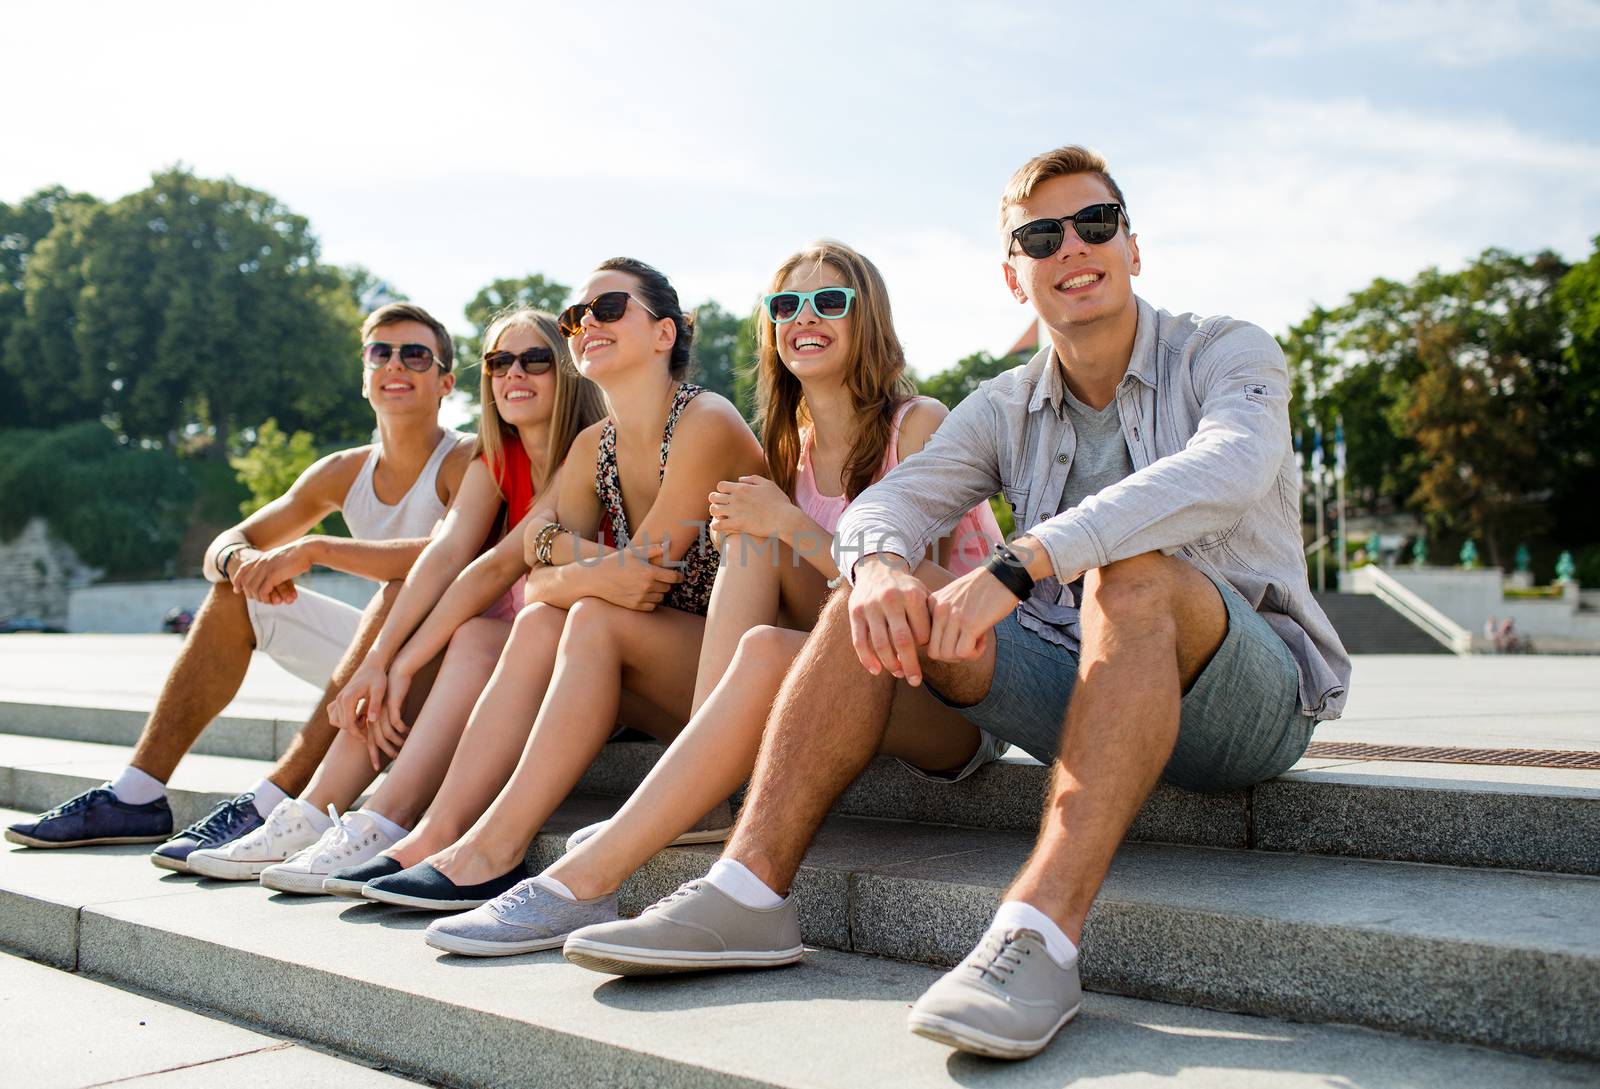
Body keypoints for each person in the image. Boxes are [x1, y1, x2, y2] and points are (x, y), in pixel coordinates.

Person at [560, 146, 1353, 1062]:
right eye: (1040, 236)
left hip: (1243, 695)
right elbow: (890, 506)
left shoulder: (1225, 349)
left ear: (1133, 246)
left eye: (1095, 224)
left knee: (1131, 574)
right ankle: (748, 890)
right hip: (1069, 677)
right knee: (875, 596)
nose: (1073, 247)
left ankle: (1038, 937)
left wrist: (1029, 559)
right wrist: (879, 567)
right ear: (1014, 275)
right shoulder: (1004, 403)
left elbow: (1233, 465)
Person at [422, 241, 1005, 956]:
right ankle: (690, 792)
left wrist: (785, 524)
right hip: (841, 678)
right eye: (785, 305)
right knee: (724, 555)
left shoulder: (917, 424)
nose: (804, 317)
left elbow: (920, 605)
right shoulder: (787, 445)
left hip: (951, 696)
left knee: (759, 564)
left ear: (868, 318)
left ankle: (618, 851)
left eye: (830, 301)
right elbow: (526, 568)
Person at [327, 257, 766, 910]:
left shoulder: (706, 421)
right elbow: (529, 576)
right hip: (669, 676)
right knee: (542, 619)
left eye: (610, 308)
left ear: (664, 334)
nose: (587, 322)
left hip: (741, 686)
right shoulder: (596, 445)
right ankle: (442, 834)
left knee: (586, 613)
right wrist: (395, 659)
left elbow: (643, 578)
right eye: (576, 315)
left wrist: (562, 561)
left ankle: (496, 848)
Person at [5, 303, 475, 869]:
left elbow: (451, 557)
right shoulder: (341, 471)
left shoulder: (464, 458)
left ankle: (273, 802)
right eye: (381, 351)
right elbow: (226, 544)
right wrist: (244, 563)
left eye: (415, 354)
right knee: (234, 595)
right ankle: (135, 794)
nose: (396, 363)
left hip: (453, 667)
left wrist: (315, 549)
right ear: (364, 375)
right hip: (375, 658)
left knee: (398, 591)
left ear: (445, 381)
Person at [181, 307, 604, 887]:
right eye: (500, 362)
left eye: (536, 361)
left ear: (568, 371)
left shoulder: (588, 448)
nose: (514, 375)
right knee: (459, 626)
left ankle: (388, 818)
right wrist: (381, 664)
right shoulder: (493, 458)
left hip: (589, 653)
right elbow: (449, 552)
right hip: (519, 640)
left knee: (476, 629)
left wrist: (391, 657)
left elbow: (492, 570)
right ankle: (318, 812)